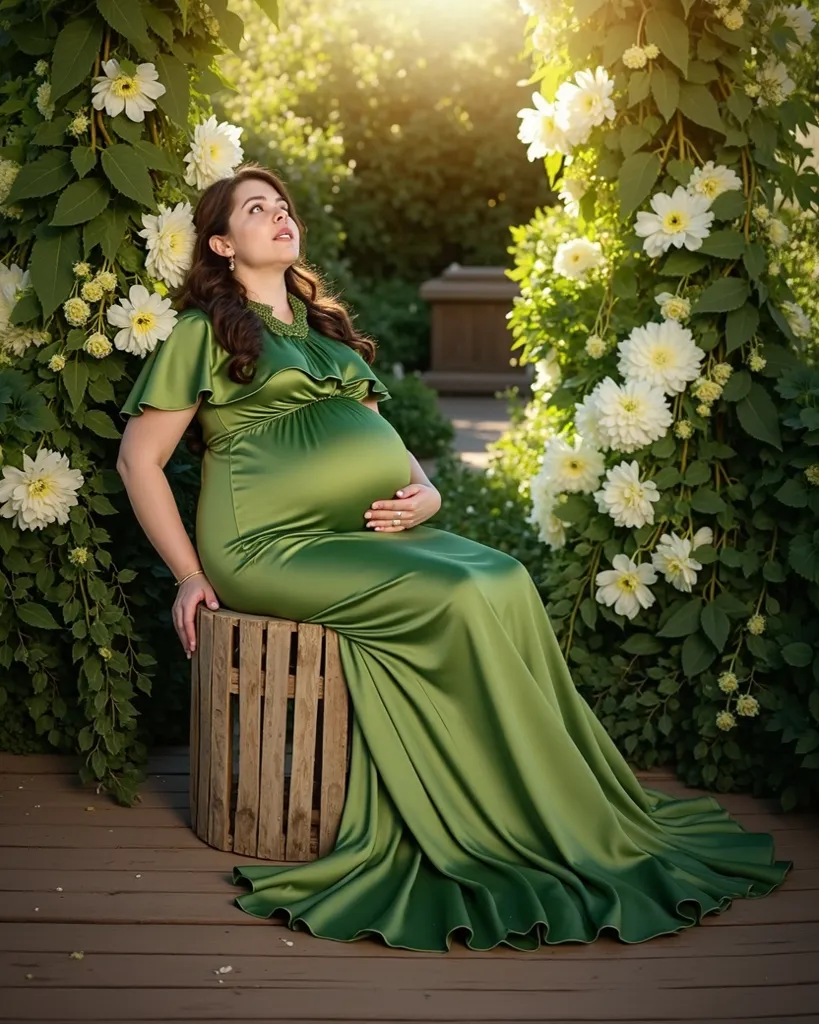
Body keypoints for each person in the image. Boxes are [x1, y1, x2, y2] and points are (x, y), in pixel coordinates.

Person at [117, 163, 791, 952]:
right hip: (270, 546)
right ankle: (496, 812)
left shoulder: (322, 327)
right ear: (224, 243)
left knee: (502, 579)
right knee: (461, 599)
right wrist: (192, 574)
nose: (278, 216)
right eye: (255, 210)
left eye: (284, 206)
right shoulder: (205, 333)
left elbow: (396, 450)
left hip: (363, 535)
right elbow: (140, 461)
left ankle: (542, 793)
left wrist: (428, 495)